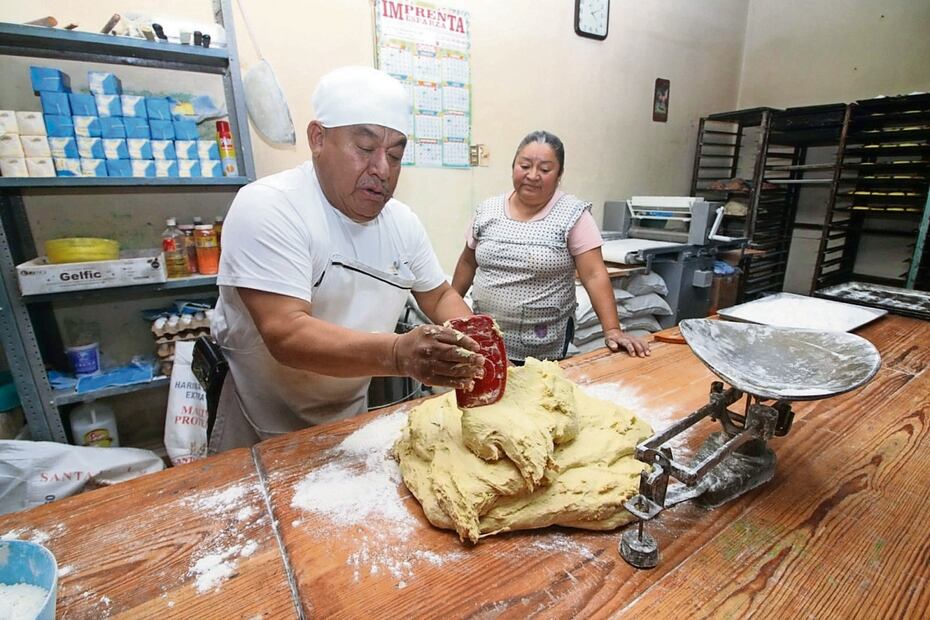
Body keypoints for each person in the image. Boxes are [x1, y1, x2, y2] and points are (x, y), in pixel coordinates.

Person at [209, 66, 485, 452]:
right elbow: (286, 333)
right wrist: (397, 353)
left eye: (395, 155)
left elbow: (438, 296)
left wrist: (480, 345)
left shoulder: (401, 223)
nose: (382, 170)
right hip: (257, 428)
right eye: (365, 149)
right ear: (318, 138)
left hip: (348, 424)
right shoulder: (270, 206)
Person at [452, 130, 650, 363]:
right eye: (525, 166)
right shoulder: (488, 210)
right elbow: (467, 262)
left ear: (559, 175)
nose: (532, 175)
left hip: (540, 345)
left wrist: (613, 330)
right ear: (513, 166)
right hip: (486, 339)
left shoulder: (573, 215)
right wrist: (449, 311)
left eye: (545, 170)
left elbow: (594, 275)